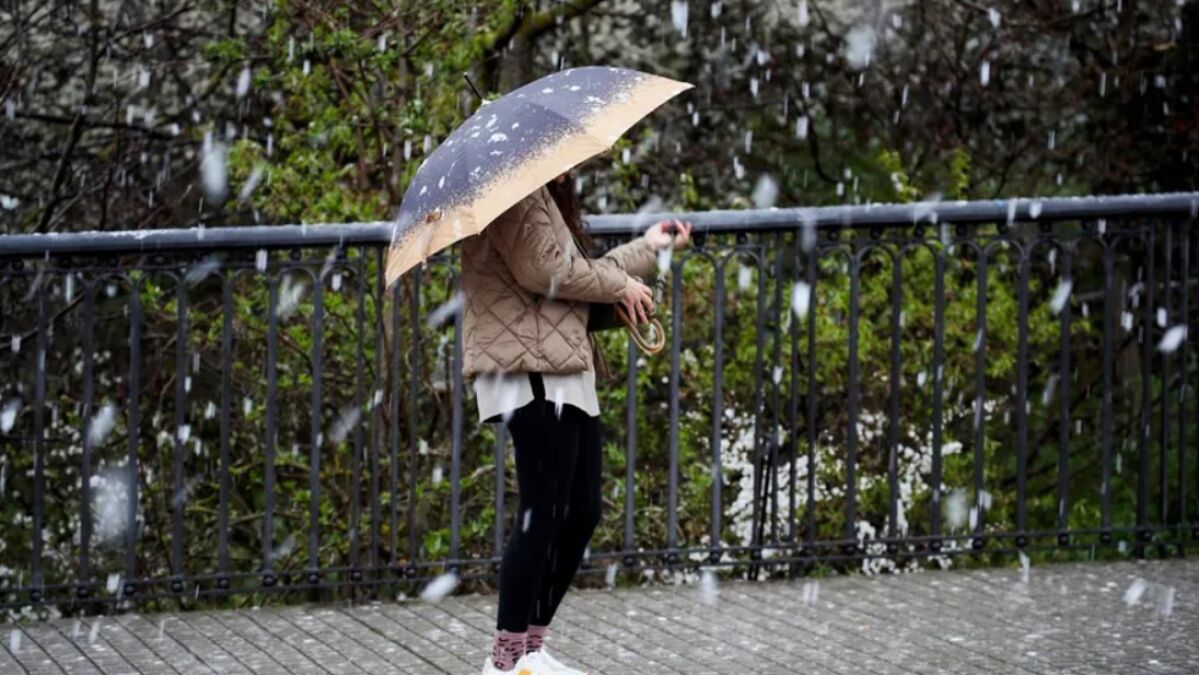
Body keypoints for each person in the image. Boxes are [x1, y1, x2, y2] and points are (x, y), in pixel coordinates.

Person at [461, 171, 692, 675]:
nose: (571, 168)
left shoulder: (543, 197)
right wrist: (621, 284)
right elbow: (545, 271)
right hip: (530, 371)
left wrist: (647, 249)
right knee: (542, 513)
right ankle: (504, 662)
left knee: (581, 510)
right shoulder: (514, 192)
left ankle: (530, 650)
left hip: (563, 367)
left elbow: (580, 271)